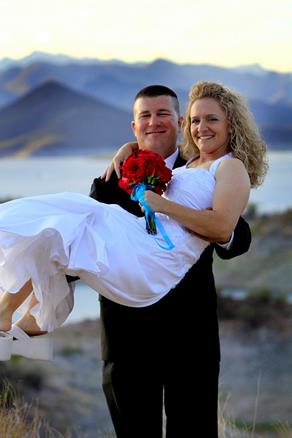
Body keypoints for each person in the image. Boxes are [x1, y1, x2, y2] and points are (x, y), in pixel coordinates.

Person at [0, 83, 267, 436]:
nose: (154, 122)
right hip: (126, 338)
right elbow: (84, 252)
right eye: (145, 116)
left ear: (178, 121)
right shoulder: (113, 177)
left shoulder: (210, 166)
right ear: (135, 126)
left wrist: (207, 225)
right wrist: (53, 279)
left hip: (189, 336)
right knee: (57, 229)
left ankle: (19, 325)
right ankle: (17, 327)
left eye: (163, 114)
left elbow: (233, 231)